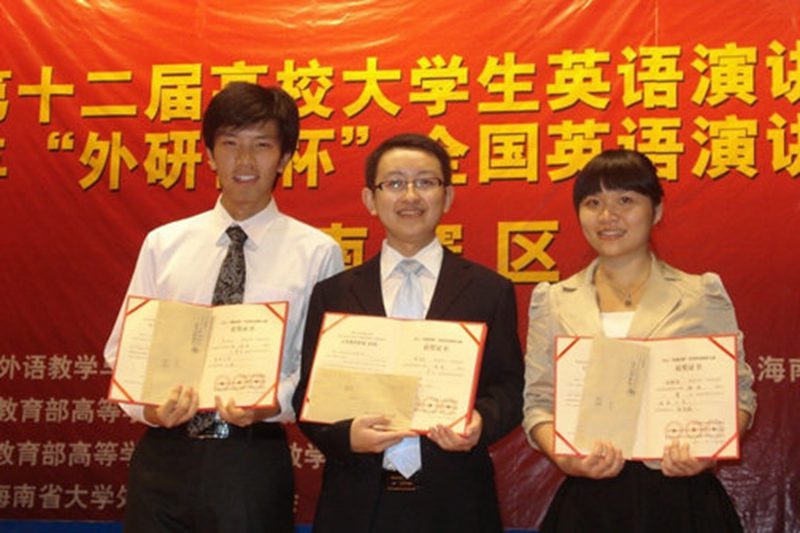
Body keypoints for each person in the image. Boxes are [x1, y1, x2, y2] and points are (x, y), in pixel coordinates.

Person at [103, 82, 344, 533]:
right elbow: (124, 350)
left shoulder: (316, 252)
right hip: (164, 455)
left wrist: (268, 403)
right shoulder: (164, 244)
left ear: (285, 158)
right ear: (210, 155)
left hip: (250, 458)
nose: (245, 161)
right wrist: (150, 409)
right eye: (230, 144)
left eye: (262, 145)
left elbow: (319, 368)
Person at [292, 133, 523, 533]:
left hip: (456, 501)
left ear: (447, 197)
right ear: (370, 199)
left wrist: (481, 423)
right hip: (357, 502)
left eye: (426, 182)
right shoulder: (334, 293)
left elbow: (509, 387)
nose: (411, 196)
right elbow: (308, 394)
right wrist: (346, 436)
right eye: (395, 183)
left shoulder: (490, 291)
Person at [522, 149, 757, 532]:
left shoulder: (701, 295)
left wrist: (708, 450)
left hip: (681, 499)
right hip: (590, 501)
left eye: (625, 200)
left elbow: (740, 397)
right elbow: (538, 404)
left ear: (656, 210)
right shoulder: (553, 301)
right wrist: (563, 456)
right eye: (593, 203)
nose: (607, 216)